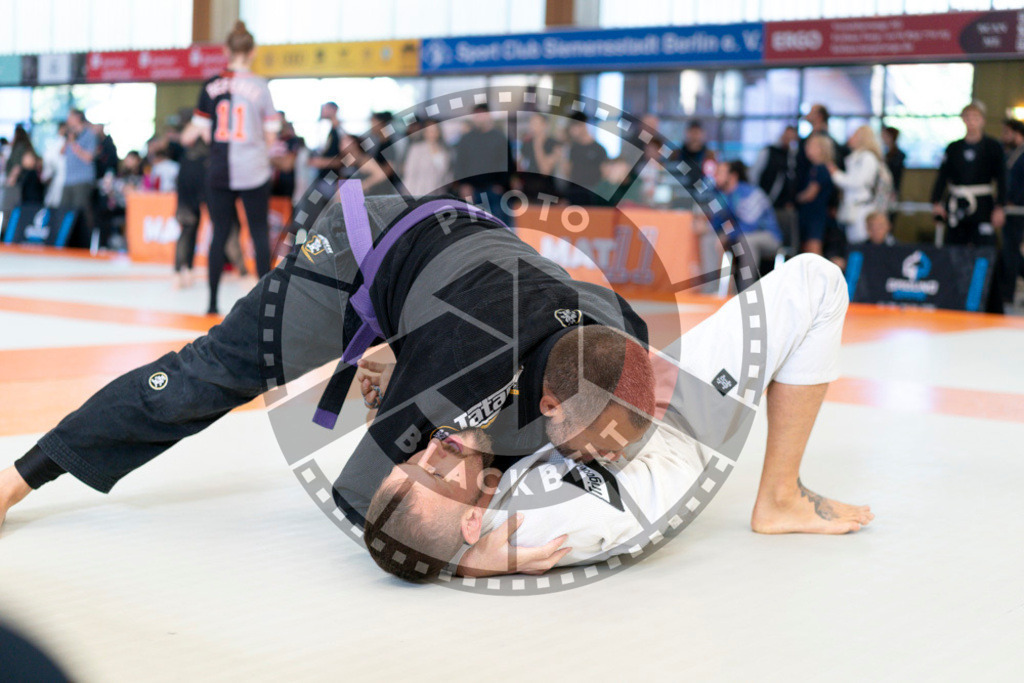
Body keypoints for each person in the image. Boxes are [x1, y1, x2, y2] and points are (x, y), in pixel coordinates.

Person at [0, 186, 653, 566]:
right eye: (596, 443)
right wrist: (471, 562)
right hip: (353, 251)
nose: (607, 455)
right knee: (209, 374)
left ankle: (402, 347)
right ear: (549, 400)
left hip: (458, 260)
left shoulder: (623, 334)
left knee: (461, 394)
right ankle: (20, 475)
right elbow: (361, 499)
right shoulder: (464, 359)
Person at [363, 254, 871, 581]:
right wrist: (466, 563)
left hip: (627, 415)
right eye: (435, 472)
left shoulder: (471, 508)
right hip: (681, 434)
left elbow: (418, 536)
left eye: (410, 461)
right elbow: (436, 544)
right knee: (816, 281)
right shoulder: (530, 526)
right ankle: (780, 498)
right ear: (473, 522)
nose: (431, 447)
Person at [182, 21, 279, 314]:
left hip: (219, 170)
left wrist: (186, 136)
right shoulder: (260, 86)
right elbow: (272, 134)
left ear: (226, 50)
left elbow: (197, 130)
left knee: (219, 233)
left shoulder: (211, 85)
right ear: (252, 52)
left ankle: (212, 303)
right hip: (254, 169)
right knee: (259, 232)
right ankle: (265, 306)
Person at [931, 101, 1006, 248]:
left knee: (984, 247)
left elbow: (1002, 178)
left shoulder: (993, 147)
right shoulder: (953, 148)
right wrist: (936, 201)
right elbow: (942, 177)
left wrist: (1000, 207)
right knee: (954, 247)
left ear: (982, 120)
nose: (971, 121)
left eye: (975, 117)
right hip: (958, 203)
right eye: (968, 117)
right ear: (963, 119)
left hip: (983, 205)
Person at [712, 160, 784, 274]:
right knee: (712, 238)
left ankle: (748, 289)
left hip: (769, 236)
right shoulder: (724, 195)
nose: (715, 176)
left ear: (732, 176)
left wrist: (727, 234)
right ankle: (717, 288)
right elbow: (717, 224)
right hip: (743, 235)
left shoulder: (749, 193)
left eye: (720, 172)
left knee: (746, 240)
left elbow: (750, 225)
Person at [454, 104, 514, 221]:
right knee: (472, 228)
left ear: (488, 116)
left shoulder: (500, 138)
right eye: (476, 115)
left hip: (495, 192)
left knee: (497, 227)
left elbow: (508, 164)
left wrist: (501, 184)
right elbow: (460, 164)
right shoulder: (466, 140)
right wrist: (463, 185)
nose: (479, 118)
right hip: (472, 191)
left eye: (482, 114)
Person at [828, 126, 885, 245]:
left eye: (854, 135)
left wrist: (836, 174)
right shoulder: (855, 158)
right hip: (852, 208)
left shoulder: (868, 158)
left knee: (862, 242)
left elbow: (857, 182)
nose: (850, 138)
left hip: (862, 209)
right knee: (852, 242)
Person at [753, 125, 799, 247]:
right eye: (786, 135)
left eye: (791, 137)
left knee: (778, 233)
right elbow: (755, 174)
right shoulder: (768, 151)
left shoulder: (793, 157)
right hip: (763, 201)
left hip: (781, 206)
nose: (787, 139)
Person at [61, 110, 99, 246]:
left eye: (69, 116)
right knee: (64, 210)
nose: (67, 119)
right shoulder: (70, 134)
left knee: (81, 212)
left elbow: (88, 157)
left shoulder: (89, 135)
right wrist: (68, 139)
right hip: (68, 179)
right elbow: (62, 153)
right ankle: (67, 242)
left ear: (77, 117)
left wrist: (73, 143)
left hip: (82, 180)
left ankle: (83, 244)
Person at [175, 138, 208, 289]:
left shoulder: (185, 159)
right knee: (187, 236)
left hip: (184, 203)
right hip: (191, 204)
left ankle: (185, 270)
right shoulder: (202, 161)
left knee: (188, 236)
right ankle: (180, 271)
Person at [795, 133, 835, 256]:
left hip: (816, 216)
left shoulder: (821, 168)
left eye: (811, 146)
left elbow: (811, 194)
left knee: (814, 252)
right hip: (809, 216)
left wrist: (797, 198)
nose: (807, 149)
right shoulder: (812, 168)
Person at [1000, 118, 1024, 312]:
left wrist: (1015, 200)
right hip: (1010, 210)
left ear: (1017, 134)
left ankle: (1008, 291)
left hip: (1019, 209)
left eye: (1007, 133)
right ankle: (1007, 289)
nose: (1004, 136)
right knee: (1011, 251)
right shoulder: (1010, 153)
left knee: (1012, 251)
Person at [562, 112, 608, 205]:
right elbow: (567, 172)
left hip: (592, 195)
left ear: (582, 126)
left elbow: (604, 174)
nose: (571, 131)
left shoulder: (599, 149)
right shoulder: (573, 148)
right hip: (574, 193)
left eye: (573, 127)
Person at [402, 117, 452, 197]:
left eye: (435, 130)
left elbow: (447, 175)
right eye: (430, 131)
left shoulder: (445, 151)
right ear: (424, 132)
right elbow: (410, 173)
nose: (433, 133)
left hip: (439, 194)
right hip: (418, 193)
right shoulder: (416, 149)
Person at [518, 113, 562, 200]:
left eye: (536, 124)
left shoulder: (554, 144)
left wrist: (538, 145)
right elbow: (520, 164)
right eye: (531, 123)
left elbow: (545, 170)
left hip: (547, 189)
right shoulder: (527, 143)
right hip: (528, 187)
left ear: (545, 125)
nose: (533, 127)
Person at [41, 122, 67, 209]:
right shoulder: (57, 144)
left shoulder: (70, 143)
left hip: (66, 179)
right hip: (58, 179)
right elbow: (49, 161)